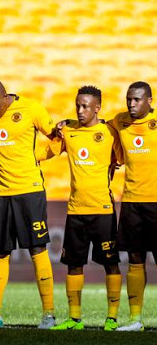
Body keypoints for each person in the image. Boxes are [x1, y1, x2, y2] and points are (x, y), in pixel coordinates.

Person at [0, 80, 56, 329]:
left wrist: (40, 156)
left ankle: (49, 315)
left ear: (5, 97)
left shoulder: (32, 109)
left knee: (37, 250)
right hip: (1, 193)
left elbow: (58, 137)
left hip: (29, 191)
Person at [37, 86, 122, 331]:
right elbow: (48, 152)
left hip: (103, 209)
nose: (80, 110)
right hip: (75, 210)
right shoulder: (69, 131)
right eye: (78, 105)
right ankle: (75, 319)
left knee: (110, 263)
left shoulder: (109, 132)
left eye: (86, 106)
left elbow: (120, 159)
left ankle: (112, 319)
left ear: (97, 108)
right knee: (74, 264)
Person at [109, 81, 157, 331]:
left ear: (149, 101)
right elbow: (98, 130)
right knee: (135, 258)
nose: (131, 104)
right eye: (129, 99)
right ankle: (135, 319)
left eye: (137, 99)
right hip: (131, 201)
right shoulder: (120, 121)